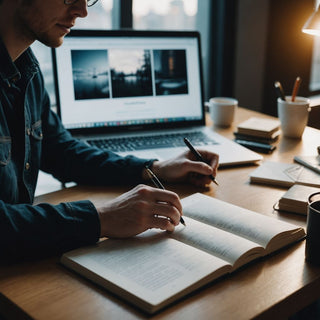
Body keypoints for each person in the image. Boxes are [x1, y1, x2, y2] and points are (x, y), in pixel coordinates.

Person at [0, 0, 219, 261]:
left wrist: (154, 168)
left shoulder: (26, 69)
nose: (82, 11)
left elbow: (61, 151)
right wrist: (101, 218)